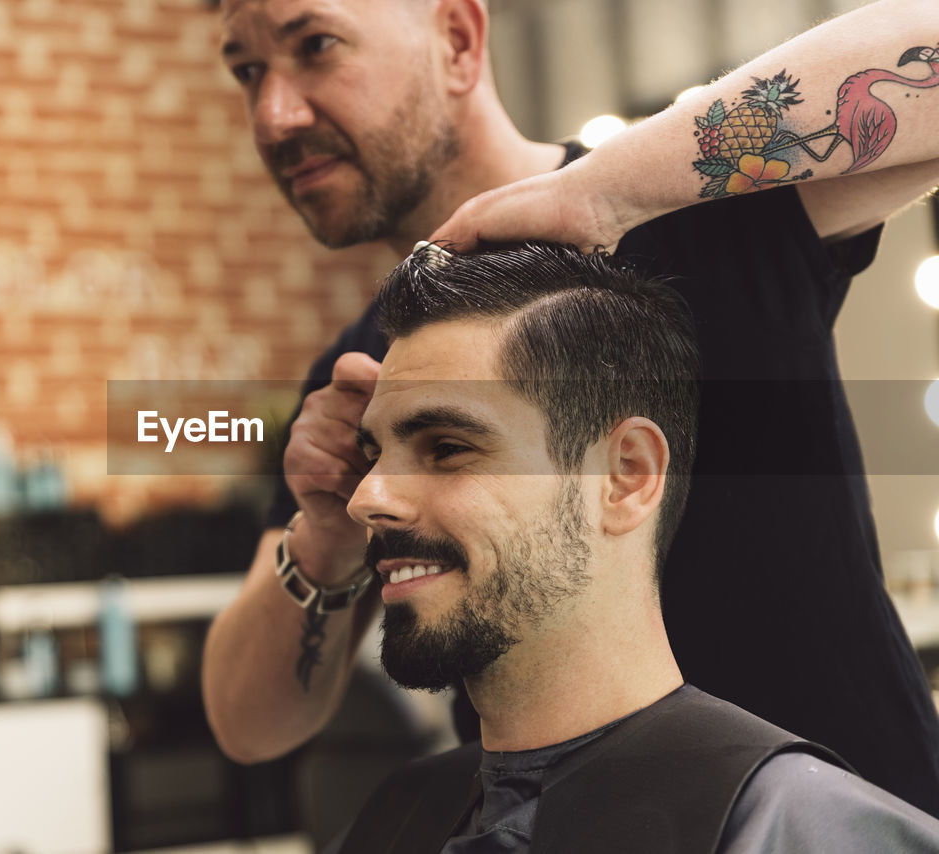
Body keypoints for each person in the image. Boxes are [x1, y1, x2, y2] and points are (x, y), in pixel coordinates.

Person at [202, 0, 939, 814]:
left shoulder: (683, 209)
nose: (274, 114)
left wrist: (603, 192)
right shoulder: (357, 381)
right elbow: (248, 727)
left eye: (314, 46)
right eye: (246, 70)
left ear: (457, 39)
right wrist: (327, 537)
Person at [332, 241, 939, 853]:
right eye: (372, 455)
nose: (367, 498)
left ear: (627, 475)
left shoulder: (786, 825)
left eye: (447, 448)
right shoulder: (395, 818)